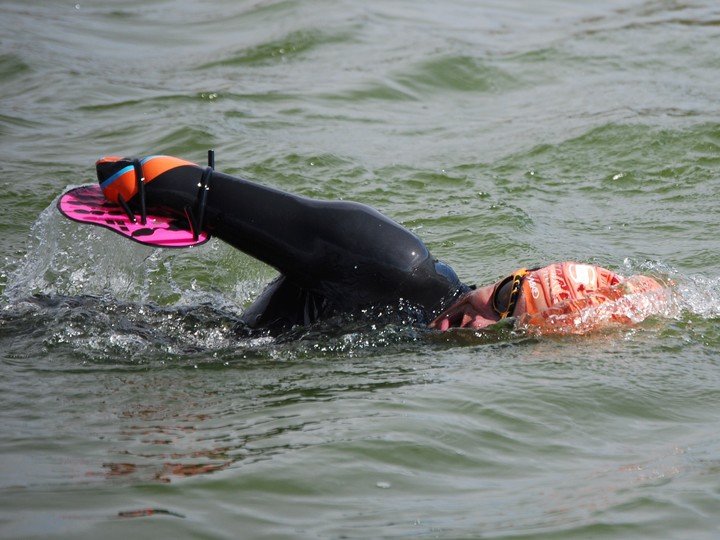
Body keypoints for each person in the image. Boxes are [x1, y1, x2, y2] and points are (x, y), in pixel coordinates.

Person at [87, 153, 666, 336]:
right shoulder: (394, 264)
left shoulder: (426, 350)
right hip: (100, 333)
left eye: (512, 330)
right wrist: (151, 182)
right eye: (510, 297)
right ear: (515, 272)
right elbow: (204, 190)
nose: (483, 324)